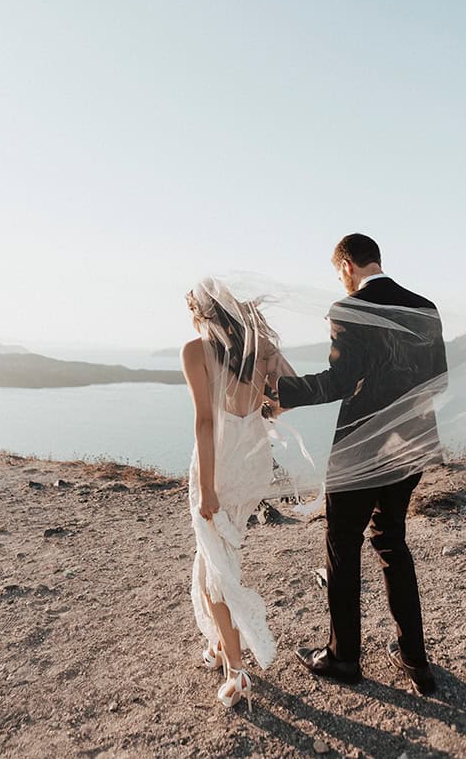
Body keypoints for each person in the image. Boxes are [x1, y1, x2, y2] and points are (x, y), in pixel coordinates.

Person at [273, 233, 447, 695]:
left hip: (360, 450)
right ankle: (416, 660)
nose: (340, 281)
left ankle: (344, 657)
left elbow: (337, 382)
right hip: (410, 447)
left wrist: (279, 393)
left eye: (338, 273)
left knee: (342, 543)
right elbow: (438, 382)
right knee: (392, 541)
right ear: (378, 260)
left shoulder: (348, 309)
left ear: (347, 265)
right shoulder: (425, 307)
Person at [181, 279, 294, 712]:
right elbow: (286, 398)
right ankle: (218, 643)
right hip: (253, 462)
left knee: (216, 567)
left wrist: (207, 488)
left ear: (202, 313)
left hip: (220, 466)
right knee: (215, 553)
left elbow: (205, 424)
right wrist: (264, 406)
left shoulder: (195, 350)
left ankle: (236, 668)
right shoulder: (260, 346)